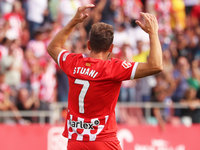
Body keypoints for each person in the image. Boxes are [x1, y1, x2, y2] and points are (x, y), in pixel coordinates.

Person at [47, 4, 162, 150]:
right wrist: (153, 34)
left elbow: (53, 47)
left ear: (88, 45)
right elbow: (156, 65)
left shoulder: (73, 62)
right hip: (103, 140)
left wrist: (73, 22)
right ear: (111, 48)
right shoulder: (113, 68)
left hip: (75, 141)